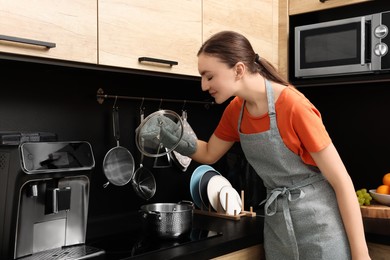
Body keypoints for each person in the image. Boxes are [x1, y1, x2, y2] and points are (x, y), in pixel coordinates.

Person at [139, 31, 371, 259]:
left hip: (320, 226)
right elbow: (209, 153)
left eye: (209, 76)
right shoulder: (235, 110)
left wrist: (361, 254)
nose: (203, 85)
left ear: (239, 70)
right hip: (278, 226)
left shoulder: (293, 106)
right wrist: (171, 136)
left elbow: (342, 182)